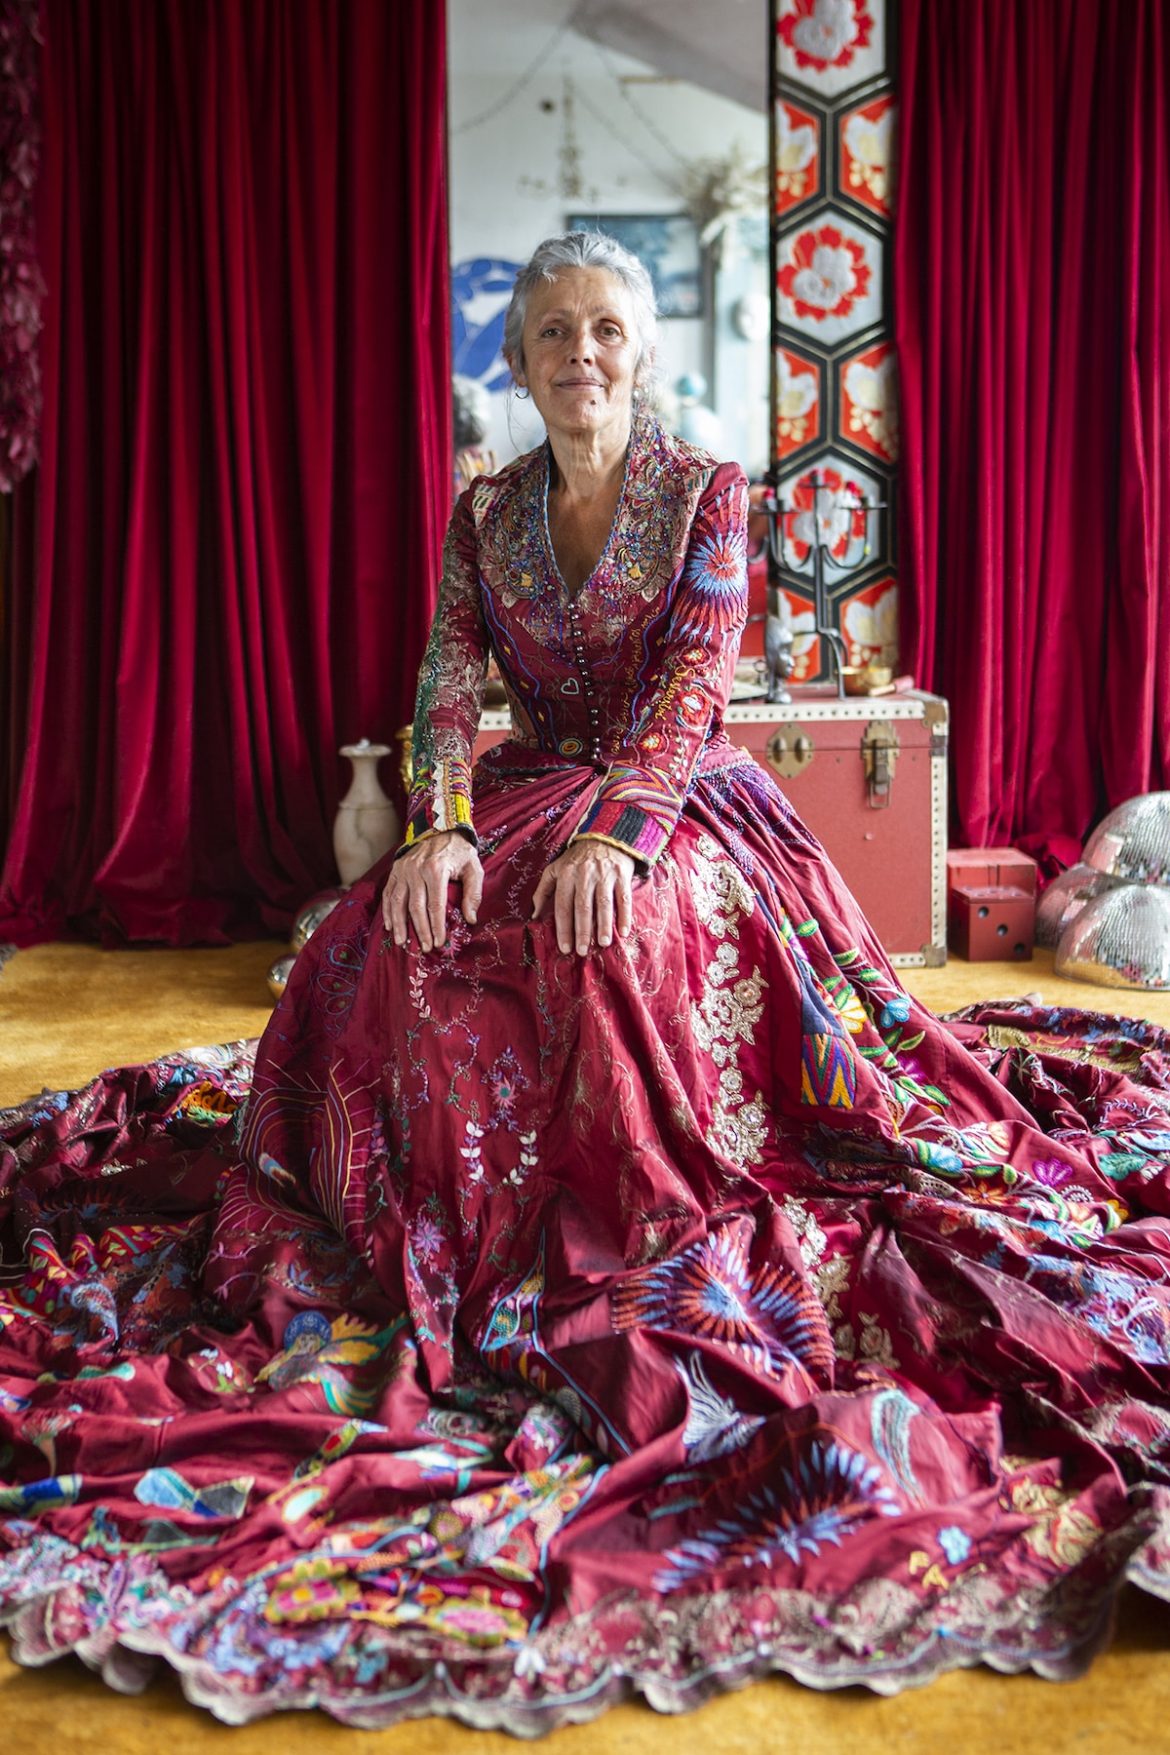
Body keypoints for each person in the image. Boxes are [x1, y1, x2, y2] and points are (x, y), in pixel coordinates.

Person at [2, 231, 1170, 1733]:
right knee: (370, 944)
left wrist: (620, 838)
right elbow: (441, 685)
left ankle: (612, 1230)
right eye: (551, 331)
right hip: (523, 782)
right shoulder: (484, 512)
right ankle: (427, 1217)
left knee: (597, 949)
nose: (580, 353)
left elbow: (692, 692)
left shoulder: (706, 493)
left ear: (643, 344)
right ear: (519, 358)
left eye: (605, 327)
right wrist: (430, 829)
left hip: (678, 810)